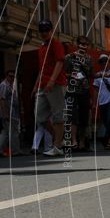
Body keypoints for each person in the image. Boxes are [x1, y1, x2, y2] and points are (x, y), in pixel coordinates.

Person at [32, 20, 67, 156]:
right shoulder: (41, 47)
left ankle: (57, 146)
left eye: (47, 30)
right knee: (39, 116)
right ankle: (59, 139)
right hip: (43, 84)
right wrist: (36, 85)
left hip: (56, 83)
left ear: (51, 31)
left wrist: (52, 80)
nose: (44, 33)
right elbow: (42, 68)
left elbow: (60, 61)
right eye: (42, 30)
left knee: (58, 115)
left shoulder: (56, 44)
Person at [64, 36, 93, 151]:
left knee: (84, 117)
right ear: (77, 44)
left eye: (85, 44)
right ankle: (74, 141)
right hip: (72, 90)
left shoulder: (89, 58)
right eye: (81, 43)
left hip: (85, 90)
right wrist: (72, 75)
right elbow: (64, 73)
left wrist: (102, 75)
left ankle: (82, 142)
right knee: (72, 116)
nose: (83, 46)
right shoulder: (69, 57)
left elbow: (90, 74)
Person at [0, 69, 23, 157]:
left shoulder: (9, 85)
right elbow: (2, 100)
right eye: (10, 76)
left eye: (13, 76)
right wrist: (5, 113)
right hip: (8, 113)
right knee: (13, 132)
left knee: (6, 131)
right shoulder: (4, 85)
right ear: (6, 76)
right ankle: (15, 151)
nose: (12, 78)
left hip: (11, 113)